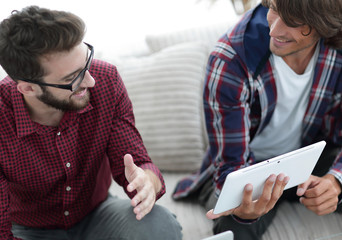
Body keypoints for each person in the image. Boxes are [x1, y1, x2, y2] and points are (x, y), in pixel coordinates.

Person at [0, 6, 182, 240]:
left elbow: (138, 163)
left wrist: (147, 182)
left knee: (159, 224)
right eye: (72, 78)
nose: (91, 80)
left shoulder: (107, 80)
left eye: (87, 61)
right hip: (29, 230)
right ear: (28, 88)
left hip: (97, 214)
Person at [173, 0, 342, 239]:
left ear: (324, 23)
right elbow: (230, 168)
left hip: (310, 157)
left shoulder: (337, 46)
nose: (273, 30)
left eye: (292, 22)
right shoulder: (231, 60)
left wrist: (336, 180)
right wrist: (246, 212)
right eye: (273, 8)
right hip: (247, 170)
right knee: (236, 228)